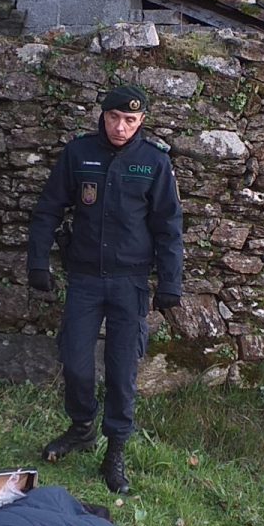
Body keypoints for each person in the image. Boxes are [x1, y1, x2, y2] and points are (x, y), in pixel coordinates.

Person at [27, 84, 184, 493]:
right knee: (75, 360)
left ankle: (115, 450)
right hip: (84, 279)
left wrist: (170, 282)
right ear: (103, 115)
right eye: (114, 117)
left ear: (141, 122)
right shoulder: (79, 154)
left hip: (130, 283)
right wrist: (37, 261)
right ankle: (81, 427)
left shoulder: (153, 162)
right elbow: (48, 209)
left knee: (121, 371)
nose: (121, 127)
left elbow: (168, 227)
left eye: (130, 120)